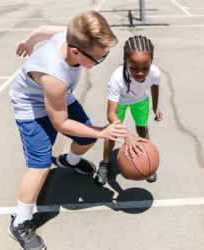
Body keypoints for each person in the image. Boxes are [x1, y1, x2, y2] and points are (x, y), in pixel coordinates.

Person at [8, 10, 126, 250]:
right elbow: (60, 123)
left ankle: (70, 161)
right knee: (39, 167)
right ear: (76, 52)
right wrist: (103, 131)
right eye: (98, 58)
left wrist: (28, 42)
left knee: (86, 137)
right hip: (32, 105)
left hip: (61, 97)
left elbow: (42, 29)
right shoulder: (54, 75)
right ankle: (20, 223)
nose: (101, 61)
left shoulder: (70, 35)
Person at [95, 35, 163, 186]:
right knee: (112, 131)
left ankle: (145, 159)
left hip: (140, 99)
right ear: (126, 62)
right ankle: (105, 163)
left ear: (151, 62)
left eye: (146, 67)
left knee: (142, 127)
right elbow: (111, 114)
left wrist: (155, 106)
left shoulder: (155, 72)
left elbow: (154, 86)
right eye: (134, 67)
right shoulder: (117, 78)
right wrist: (127, 135)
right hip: (120, 100)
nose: (140, 73)